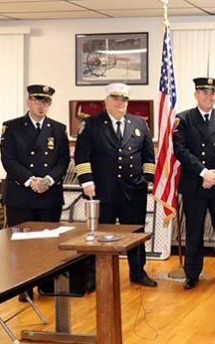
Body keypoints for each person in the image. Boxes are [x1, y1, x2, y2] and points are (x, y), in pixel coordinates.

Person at [74, 83, 157, 287]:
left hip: (133, 191)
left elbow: (148, 157)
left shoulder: (139, 124)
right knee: (98, 236)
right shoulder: (91, 124)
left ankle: (138, 272)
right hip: (103, 191)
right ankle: (93, 277)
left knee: (135, 234)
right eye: (116, 98)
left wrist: (147, 179)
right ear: (106, 101)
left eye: (124, 99)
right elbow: (81, 155)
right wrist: (87, 182)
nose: (120, 102)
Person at [1, 84, 70, 301]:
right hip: (21, 195)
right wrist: (31, 180)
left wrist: (48, 180)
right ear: (29, 102)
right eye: (38, 101)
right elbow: (8, 160)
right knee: (21, 244)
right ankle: (24, 287)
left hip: (48, 194)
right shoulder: (11, 127)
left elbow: (63, 160)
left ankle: (46, 284)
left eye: (46, 102)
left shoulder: (58, 129)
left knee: (48, 243)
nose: (42, 106)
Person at [173, 77, 215, 290]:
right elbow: (181, 150)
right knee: (193, 231)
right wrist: (204, 173)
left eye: (212, 93)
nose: (208, 97)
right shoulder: (183, 119)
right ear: (196, 95)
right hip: (195, 184)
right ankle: (192, 274)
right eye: (204, 93)